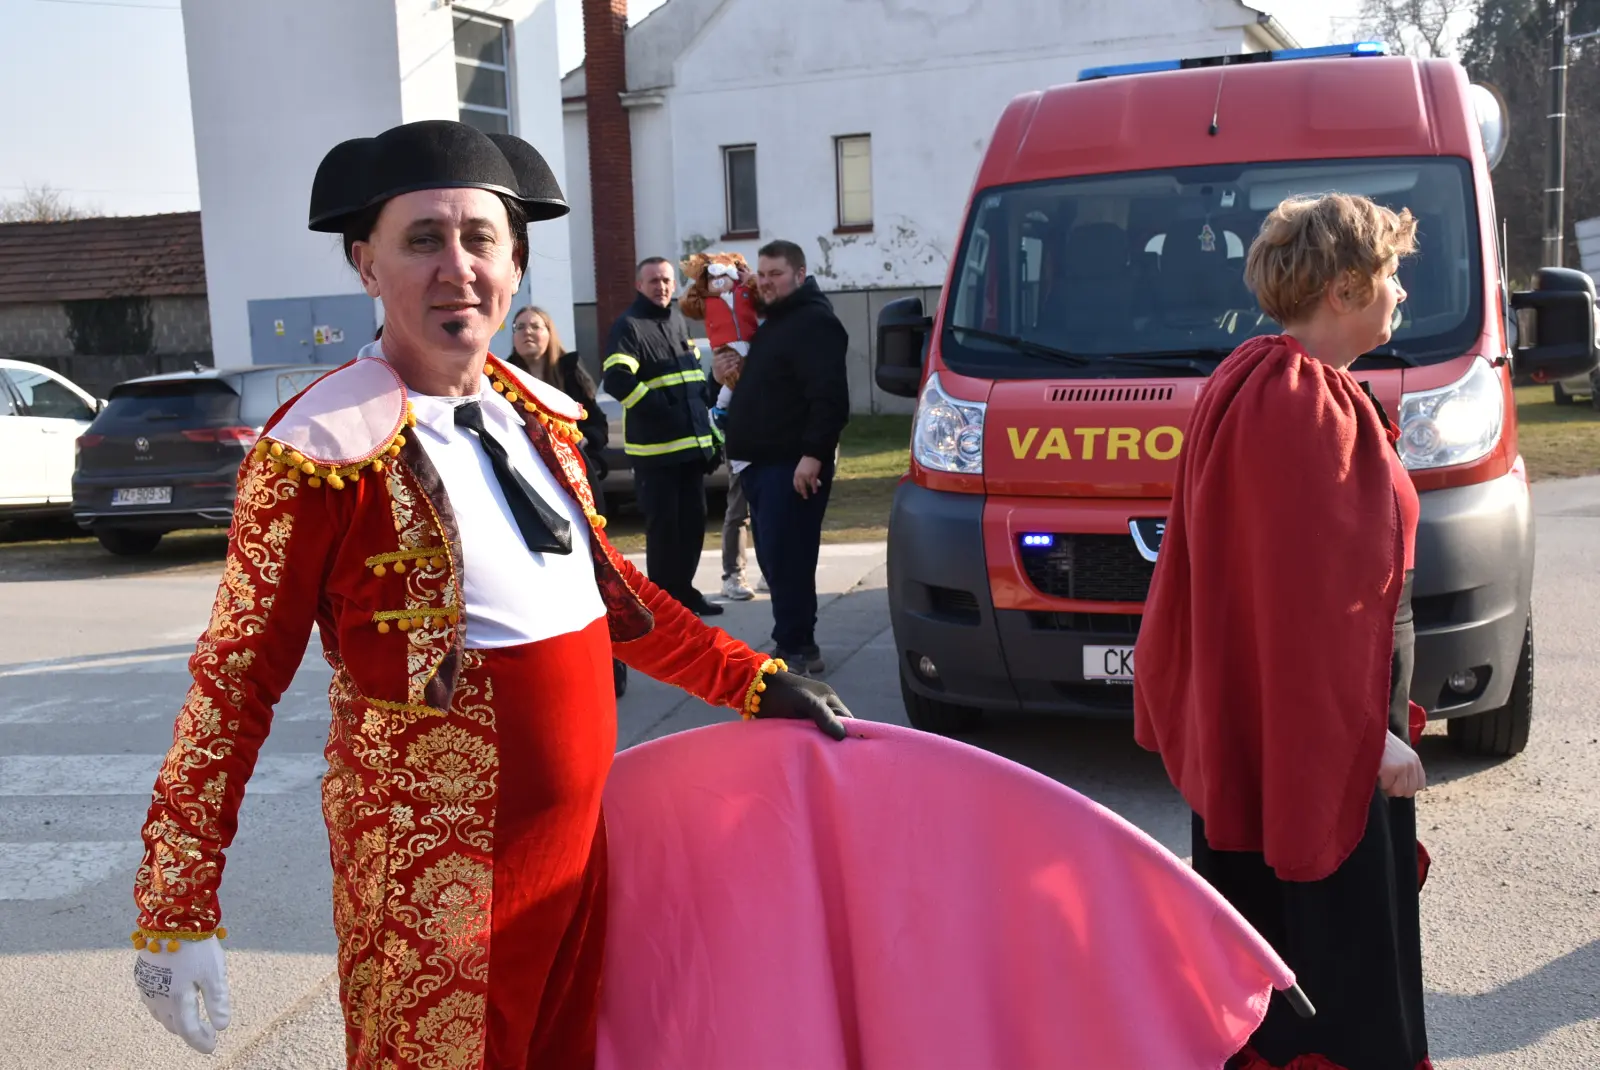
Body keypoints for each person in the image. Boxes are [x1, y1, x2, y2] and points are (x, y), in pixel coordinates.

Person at [127, 119, 851, 1070]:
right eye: (422, 239)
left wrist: (753, 680)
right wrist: (176, 902)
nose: (455, 267)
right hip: (435, 877)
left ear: (515, 267)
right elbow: (233, 682)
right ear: (366, 265)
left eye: (480, 240)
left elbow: (614, 595)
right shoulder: (316, 453)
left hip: (577, 855)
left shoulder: (534, 417)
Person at [1133, 192, 1430, 1070]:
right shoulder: (1298, 406)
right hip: (1317, 752)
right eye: (1393, 274)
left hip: (1299, 733)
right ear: (1344, 287)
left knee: (1294, 944)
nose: (1401, 293)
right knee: (1328, 966)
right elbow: (1305, 609)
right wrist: (1365, 740)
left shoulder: (1266, 379)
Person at [719, 240, 849, 675]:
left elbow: (828, 398)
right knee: (777, 560)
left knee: (789, 558)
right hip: (763, 465)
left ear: (800, 273)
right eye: (761, 273)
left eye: (776, 273)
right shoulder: (776, 322)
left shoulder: (814, 322)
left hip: (791, 466)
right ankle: (791, 641)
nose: (766, 281)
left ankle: (797, 651)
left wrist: (813, 455)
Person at [507, 303, 628, 695]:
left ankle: (612, 665)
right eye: (520, 326)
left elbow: (594, 424)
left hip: (579, 486)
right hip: (530, 492)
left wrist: (585, 455)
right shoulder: (499, 378)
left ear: (550, 332)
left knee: (595, 576)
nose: (528, 332)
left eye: (536, 326)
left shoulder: (571, 370)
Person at [600, 257, 722, 617]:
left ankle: (684, 592)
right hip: (655, 453)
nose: (662, 286)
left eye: (667, 280)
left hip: (689, 450)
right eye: (653, 280)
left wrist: (707, 434)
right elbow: (618, 380)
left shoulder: (678, 320)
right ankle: (665, 605)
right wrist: (665, 413)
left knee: (693, 523)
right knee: (665, 529)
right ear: (639, 285)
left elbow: (693, 384)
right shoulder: (630, 326)